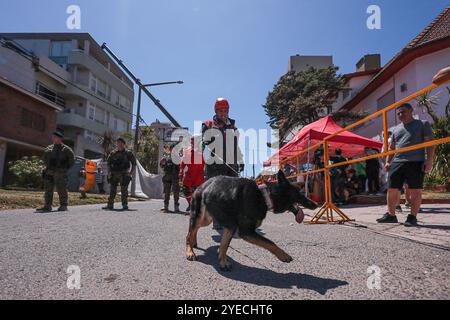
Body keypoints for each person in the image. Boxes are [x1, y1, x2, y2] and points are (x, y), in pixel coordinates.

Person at [377, 103, 435, 226]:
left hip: (415, 161)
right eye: (398, 113)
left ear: (411, 111)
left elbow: (430, 144)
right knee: (391, 189)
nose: (400, 115)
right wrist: (388, 161)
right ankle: (391, 215)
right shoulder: (396, 129)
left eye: (403, 112)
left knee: (415, 190)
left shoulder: (422, 124)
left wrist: (429, 161)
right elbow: (392, 147)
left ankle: (412, 217)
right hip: (397, 162)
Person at [202, 97, 244, 229]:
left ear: (228, 111)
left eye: (225, 110)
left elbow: (236, 145)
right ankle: (217, 219)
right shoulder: (209, 124)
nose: (223, 113)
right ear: (216, 111)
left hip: (231, 163)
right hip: (215, 163)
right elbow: (203, 139)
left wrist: (240, 159)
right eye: (220, 111)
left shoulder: (233, 126)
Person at [36, 128, 75, 212]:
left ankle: (63, 205)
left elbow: (72, 161)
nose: (53, 138)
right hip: (49, 171)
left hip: (60, 172)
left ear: (60, 138)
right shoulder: (49, 148)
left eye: (55, 137)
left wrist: (64, 168)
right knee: (48, 189)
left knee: (61, 188)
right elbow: (44, 159)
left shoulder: (66, 150)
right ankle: (47, 206)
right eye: (53, 137)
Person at [103, 137, 137, 211]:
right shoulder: (113, 153)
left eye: (121, 143)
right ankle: (110, 205)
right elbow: (108, 163)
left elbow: (134, 163)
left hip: (124, 174)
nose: (119, 144)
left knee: (124, 190)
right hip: (114, 173)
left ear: (124, 144)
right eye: (117, 143)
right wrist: (108, 173)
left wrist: (131, 173)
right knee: (112, 190)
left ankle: (125, 205)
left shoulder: (128, 153)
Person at [179, 136, 205, 214]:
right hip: (189, 174)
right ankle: (191, 204)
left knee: (197, 192)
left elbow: (205, 162)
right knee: (185, 190)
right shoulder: (187, 151)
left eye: (194, 141)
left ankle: (196, 207)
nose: (192, 142)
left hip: (198, 175)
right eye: (191, 141)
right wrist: (180, 172)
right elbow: (183, 163)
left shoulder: (201, 151)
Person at [160, 144, 180, 213]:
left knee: (176, 192)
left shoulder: (178, 157)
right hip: (167, 177)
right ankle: (166, 206)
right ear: (170, 149)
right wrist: (162, 162)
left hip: (175, 177)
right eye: (172, 149)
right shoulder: (166, 157)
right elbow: (162, 166)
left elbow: (180, 167)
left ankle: (176, 207)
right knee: (166, 192)